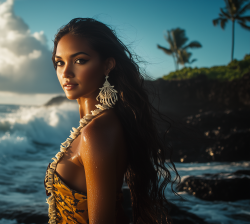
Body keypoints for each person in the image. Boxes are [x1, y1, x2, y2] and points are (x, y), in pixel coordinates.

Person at [43, 18, 180, 224]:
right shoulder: (102, 124)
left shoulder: (96, 132)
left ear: (107, 65)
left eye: (80, 60)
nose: (66, 72)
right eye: (59, 62)